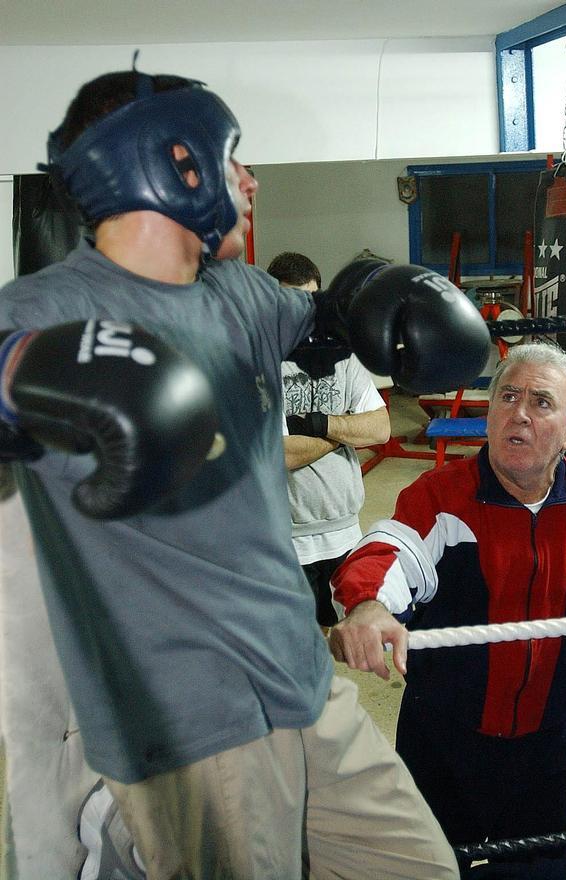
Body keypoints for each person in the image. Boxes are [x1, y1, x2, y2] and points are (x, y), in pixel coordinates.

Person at [0, 68, 460, 879]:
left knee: (420, 867)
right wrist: (35, 372)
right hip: (189, 719)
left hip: (299, 677)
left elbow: (323, 326)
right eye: (231, 159)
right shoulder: (41, 312)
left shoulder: (240, 296)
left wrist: (376, 298)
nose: (247, 180)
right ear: (162, 163)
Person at [329, 341, 566, 864]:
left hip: (550, 742)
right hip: (440, 738)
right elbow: (390, 548)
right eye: (507, 397)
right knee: (430, 868)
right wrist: (369, 604)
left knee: (536, 873)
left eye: (541, 403)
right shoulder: (440, 495)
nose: (519, 414)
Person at [267, 251, 390, 631]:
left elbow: (381, 429)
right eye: (292, 301)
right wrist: (344, 431)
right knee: (294, 644)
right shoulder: (260, 363)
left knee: (341, 636)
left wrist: (317, 424)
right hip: (288, 540)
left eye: (311, 300)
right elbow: (282, 454)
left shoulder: (342, 357)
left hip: (345, 533)